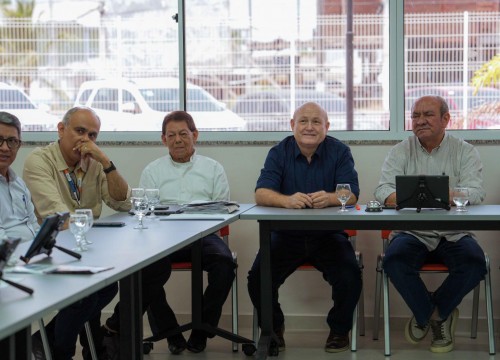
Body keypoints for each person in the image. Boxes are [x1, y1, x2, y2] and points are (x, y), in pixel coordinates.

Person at [22, 106, 169, 360]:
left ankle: (49, 339)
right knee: (86, 296)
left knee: (111, 285)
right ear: (61, 129)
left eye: (92, 135)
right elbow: (58, 218)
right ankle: (64, 351)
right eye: (80, 131)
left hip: (88, 246)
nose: (86, 140)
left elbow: (123, 202)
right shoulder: (39, 161)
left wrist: (106, 162)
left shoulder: (93, 163)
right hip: (53, 248)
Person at [374, 95, 486, 353]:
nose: (420, 121)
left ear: (446, 119)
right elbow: (382, 191)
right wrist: (430, 195)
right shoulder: (401, 150)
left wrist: (424, 194)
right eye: (415, 116)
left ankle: (430, 315)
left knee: (474, 263)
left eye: (428, 115)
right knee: (394, 261)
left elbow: (475, 192)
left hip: (454, 232)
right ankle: (437, 316)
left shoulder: (465, 151)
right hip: (413, 231)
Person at [247, 102, 362, 353]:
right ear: (292, 125)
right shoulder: (279, 152)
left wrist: (331, 198)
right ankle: (274, 329)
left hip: (328, 236)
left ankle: (339, 330)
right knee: (257, 279)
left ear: (326, 127)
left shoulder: (340, 151)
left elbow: (351, 193)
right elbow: (261, 193)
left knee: (350, 276)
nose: (309, 127)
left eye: (316, 122)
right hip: (286, 235)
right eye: (303, 121)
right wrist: (285, 201)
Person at [139, 110, 236, 354]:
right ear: (163, 140)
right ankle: (171, 333)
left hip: (204, 235)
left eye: (183, 134)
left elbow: (222, 209)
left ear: (195, 135)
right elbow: (146, 210)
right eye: (171, 135)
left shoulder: (213, 168)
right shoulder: (152, 171)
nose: (178, 140)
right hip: (163, 238)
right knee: (142, 270)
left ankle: (201, 331)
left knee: (225, 264)